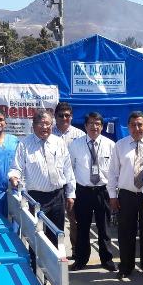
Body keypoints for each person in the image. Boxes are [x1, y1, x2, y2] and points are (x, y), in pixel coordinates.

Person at [9, 109, 75, 250]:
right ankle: (36, 263)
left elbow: (68, 169)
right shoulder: (24, 144)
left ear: (52, 125)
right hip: (36, 198)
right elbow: (16, 167)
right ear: (33, 125)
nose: (45, 127)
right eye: (41, 123)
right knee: (36, 235)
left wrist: (70, 194)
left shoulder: (59, 142)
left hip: (57, 197)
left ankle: (54, 264)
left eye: (48, 124)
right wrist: (14, 177)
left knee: (56, 234)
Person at [107, 111, 143, 279]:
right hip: (126, 195)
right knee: (125, 232)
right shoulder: (120, 146)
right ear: (128, 127)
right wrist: (112, 196)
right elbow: (113, 173)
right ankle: (126, 266)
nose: (136, 128)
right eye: (133, 125)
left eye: (140, 125)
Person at [68, 112, 117, 272]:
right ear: (85, 126)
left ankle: (107, 259)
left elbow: (114, 172)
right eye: (91, 123)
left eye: (97, 124)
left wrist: (114, 194)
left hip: (103, 191)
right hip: (83, 191)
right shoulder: (75, 145)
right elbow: (70, 169)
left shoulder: (111, 145)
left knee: (104, 228)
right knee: (82, 227)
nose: (94, 127)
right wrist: (71, 193)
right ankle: (81, 259)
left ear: (102, 127)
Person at [52, 102, 86, 256]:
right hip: (55, 183)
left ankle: (76, 252)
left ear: (72, 117)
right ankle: (55, 252)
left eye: (67, 115)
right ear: (55, 116)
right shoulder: (48, 132)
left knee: (75, 220)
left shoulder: (80, 135)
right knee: (54, 220)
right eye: (61, 115)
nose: (64, 118)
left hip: (74, 183)